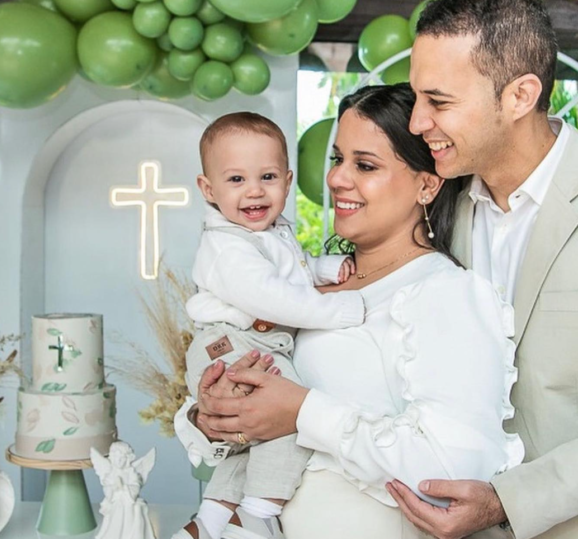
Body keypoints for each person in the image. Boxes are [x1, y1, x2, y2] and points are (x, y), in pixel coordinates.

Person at [175, 84, 524, 539]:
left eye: (365, 165)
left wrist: (303, 412)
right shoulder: (306, 283)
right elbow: (252, 417)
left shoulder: (444, 292)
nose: (337, 178)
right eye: (338, 159)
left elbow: (452, 471)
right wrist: (211, 418)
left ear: (426, 183)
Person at [384, 0, 578, 539]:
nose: (418, 122)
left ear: (519, 96)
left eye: (439, 102)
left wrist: (505, 502)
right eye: (418, 97)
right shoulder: (434, 203)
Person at [175, 112, 367, 539]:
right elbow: (270, 295)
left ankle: (209, 521)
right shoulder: (226, 246)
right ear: (208, 189)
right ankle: (258, 515)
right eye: (236, 180)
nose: (255, 191)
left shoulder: (268, 232)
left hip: (238, 344)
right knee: (287, 419)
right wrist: (339, 310)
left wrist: (323, 268)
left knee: (253, 437)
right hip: (233, 346)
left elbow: (287, 272)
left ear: (287, 179)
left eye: (267, 176)